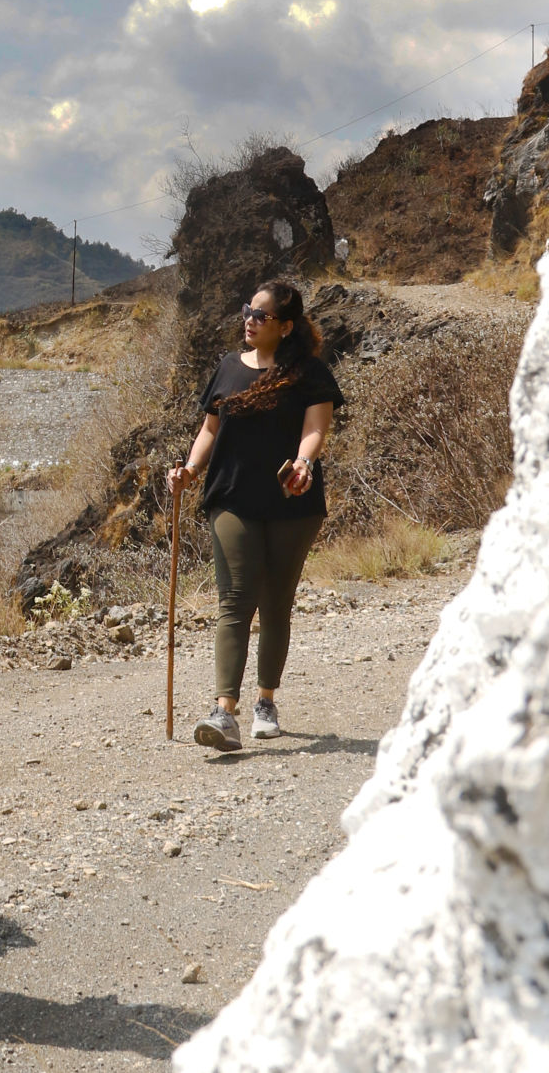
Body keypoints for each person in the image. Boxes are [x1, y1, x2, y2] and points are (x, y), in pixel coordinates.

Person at [167, 279, 343, 753]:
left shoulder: (309, 372)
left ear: (285, 327)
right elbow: (210, 429)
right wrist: (189, 469)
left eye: (260, 315)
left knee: (277, 601)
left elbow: (315, 429)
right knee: (237, 597)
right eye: (248, 310)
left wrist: (305, 462)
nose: (249, 319)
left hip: (292, 501)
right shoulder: (227, 368)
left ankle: (266, 701)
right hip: (230, 497)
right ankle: (224, 712)